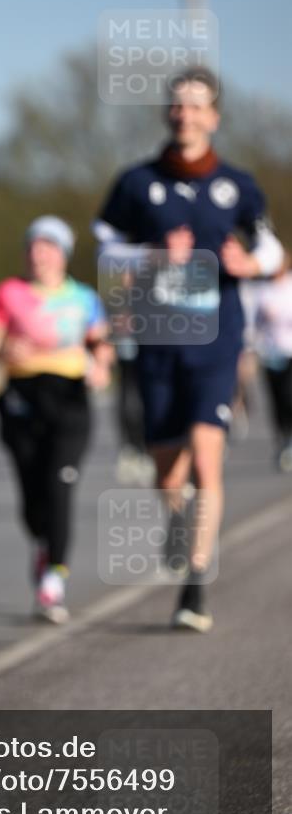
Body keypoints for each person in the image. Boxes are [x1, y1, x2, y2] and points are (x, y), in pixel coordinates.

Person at [94, 67, 284, 633]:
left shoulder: (237, 185)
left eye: (197, 106)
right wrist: (152, 253)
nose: (186, 114)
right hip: (156, 340)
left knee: (207, 458)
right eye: (178, 105)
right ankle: (178, 519)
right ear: (167, 113)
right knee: (166, 472)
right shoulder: (136, 182)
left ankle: (196, 583)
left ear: (214, 116)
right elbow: (106, 246)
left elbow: (271, 248)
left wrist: (252, 265)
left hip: (216, 340)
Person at [0, 216, 112, 623]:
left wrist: (101, 366)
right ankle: (42, 543)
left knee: (60, 486)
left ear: (62, 254)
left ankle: (54, 579)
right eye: (33, 246)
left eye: (48, 247)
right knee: (33, 499)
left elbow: (100, 342)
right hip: (22, 399)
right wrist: (2, 352)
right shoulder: (9, 293)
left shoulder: (83, 297)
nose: (39, 254)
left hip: (69, 399)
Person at [252, 251, 292, 471]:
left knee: (289, 396)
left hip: (290, 351)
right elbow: (254, 321)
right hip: (270, 353)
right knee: (276, 400)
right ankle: (283, 439)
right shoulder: (263, 290)